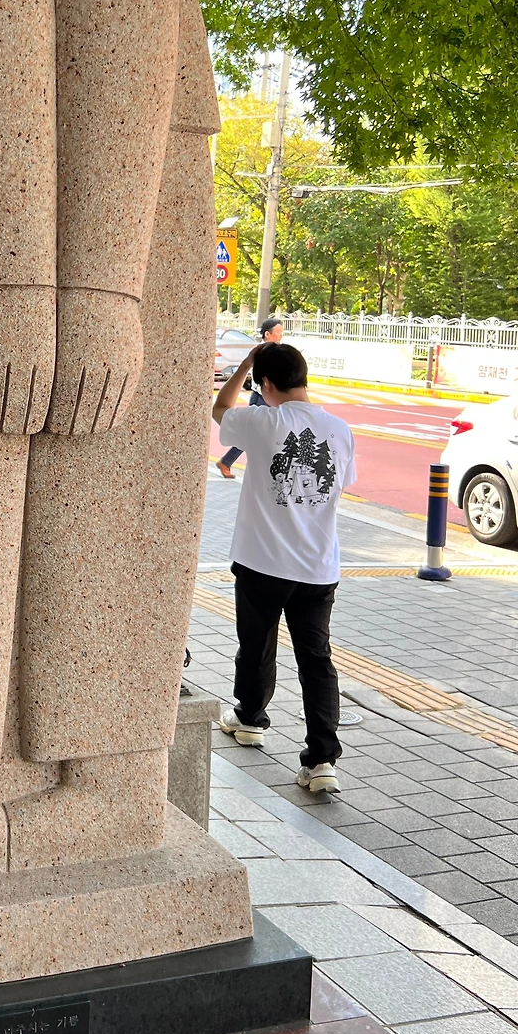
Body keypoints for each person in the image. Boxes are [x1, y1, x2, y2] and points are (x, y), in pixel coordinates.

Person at [211, 340, 355, 795]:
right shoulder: (340, 430)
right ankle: (322, 761)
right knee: (317, 660)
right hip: (318, 566)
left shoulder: (262, 421)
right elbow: (341, 484)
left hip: (263, 561)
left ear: (266, 384)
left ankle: (250, 719)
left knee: (256, 644)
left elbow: (219, 409)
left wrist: (244, 365)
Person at [216, 317, 283, 477]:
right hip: (262, 396)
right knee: (255, 433)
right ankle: (227, 462)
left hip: (265, 396)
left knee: (256, 433)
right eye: (278, 331)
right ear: (267, 334)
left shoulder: (272, 351)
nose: (281, 335)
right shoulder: (263, 352)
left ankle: (226, 462)